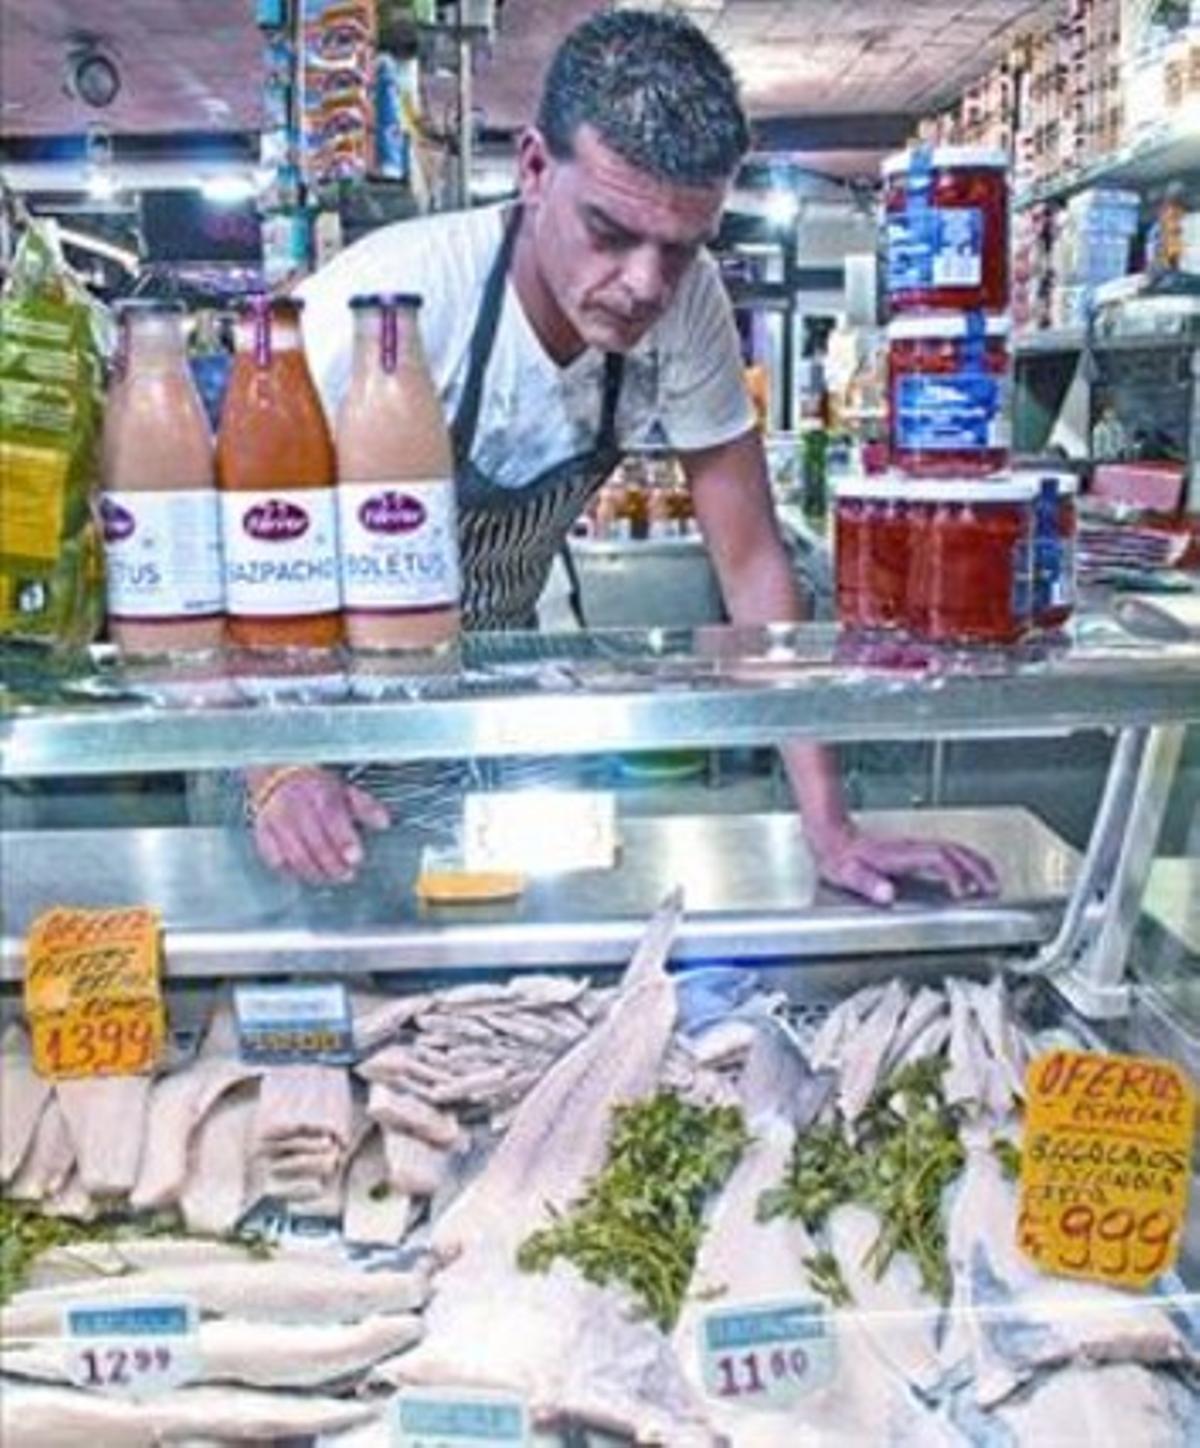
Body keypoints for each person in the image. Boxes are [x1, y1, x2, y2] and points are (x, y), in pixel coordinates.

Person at [248, 8, 997, 906]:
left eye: (680, 248)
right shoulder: (378, 312)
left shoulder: (689, 305)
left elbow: (751, 561)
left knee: (542, 935)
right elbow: (237, 553)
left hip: (499, 678)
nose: (646, 284)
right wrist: (276, 766)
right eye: (609, 231)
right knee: (355, 954)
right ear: (533, 168)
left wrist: (829, 827)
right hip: (319, 706)